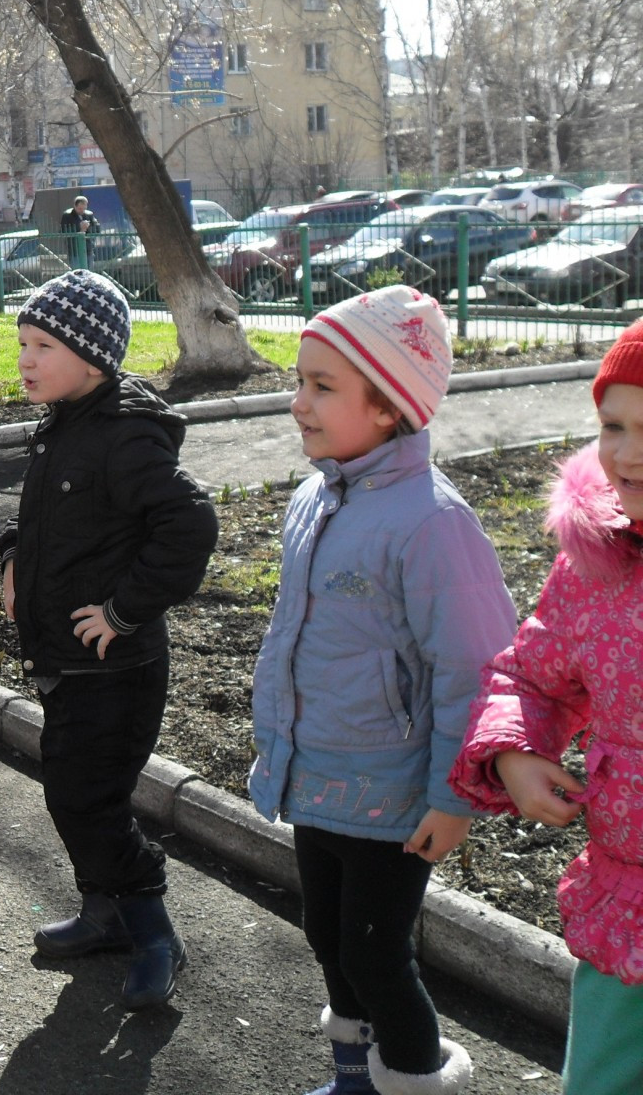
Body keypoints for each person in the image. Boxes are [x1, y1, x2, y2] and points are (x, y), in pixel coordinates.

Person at [250, 286, 517, 1094]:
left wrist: (454, 795)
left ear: (392, 406)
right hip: (319, 776)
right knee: (327, 938)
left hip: (395, 793)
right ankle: (355, 1076)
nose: (298, 402)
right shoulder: (316, 498)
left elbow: (475, 670)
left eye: (323, 387)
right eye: (299, 381)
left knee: (374, 950)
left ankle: (415, 1074)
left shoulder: (432, 523)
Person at [0, 270, 217, 1011]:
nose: (25, 359)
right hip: (65, 660)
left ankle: (154, 931)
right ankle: (105, 912)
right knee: (71, 794)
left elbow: (189, 527)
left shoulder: (123, 434)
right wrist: (11, 555)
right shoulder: (64, 422)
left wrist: (123, 610)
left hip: (114, 667)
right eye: (22, 342)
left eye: (42, 345)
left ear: (91, 357)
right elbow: (53, 521)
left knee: (88, 800)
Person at [449, 319, 643, 1095]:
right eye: (613, 426)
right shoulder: (595, 567)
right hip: (628, 906)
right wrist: (515, 754)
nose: (627, 453)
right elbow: (527, 678)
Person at [59, 196, 100, 268]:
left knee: (89, 273)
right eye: (80, 209)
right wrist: (79, 227)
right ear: (75, 206)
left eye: (84, 208)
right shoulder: (67, 215)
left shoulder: (89, 215)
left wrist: (87, 227)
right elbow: (63, 231)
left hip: (88, 249)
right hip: (75, 250)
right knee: (77, 273)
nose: (82, 211)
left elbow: (97, 229)